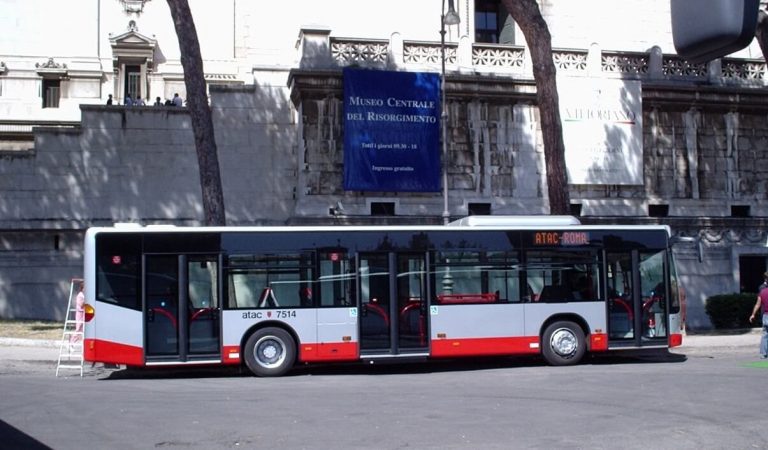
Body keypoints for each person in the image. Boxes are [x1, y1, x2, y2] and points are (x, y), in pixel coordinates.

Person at [749, 285, 768, 359]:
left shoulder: (762, 292)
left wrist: (753, 314)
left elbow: (757, 304)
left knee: (765, 335)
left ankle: (763, 353)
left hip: (765, 316)